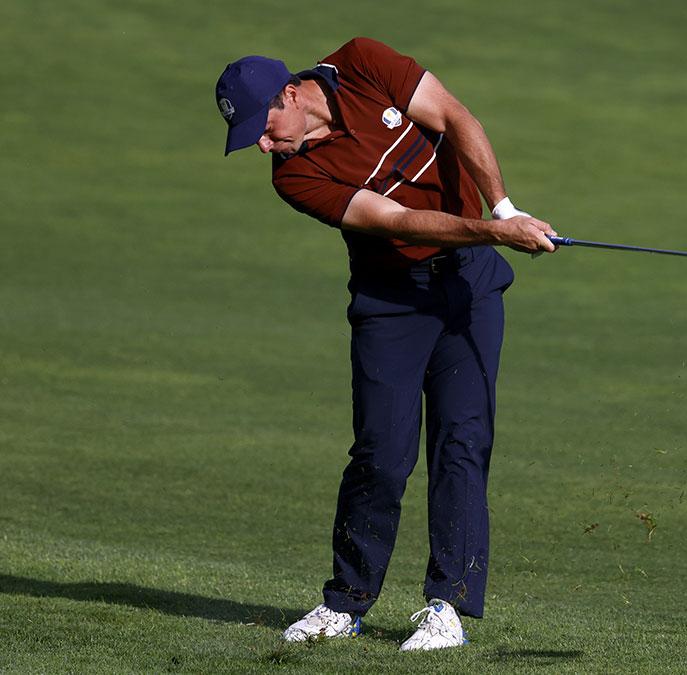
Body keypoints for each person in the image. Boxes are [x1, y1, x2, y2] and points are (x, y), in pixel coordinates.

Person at [214, 37, 557, 650]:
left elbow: (455, 117)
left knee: (462, 441)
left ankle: (446, 606)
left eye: (263, 129)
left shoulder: (364, 62)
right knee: (381, 452)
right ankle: (344, 604)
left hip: (467, 291)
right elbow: (396, 221)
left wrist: (504, 207)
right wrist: (494, 230)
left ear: (290, 95)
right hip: (392, 302)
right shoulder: (294, 175)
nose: (263, 147)